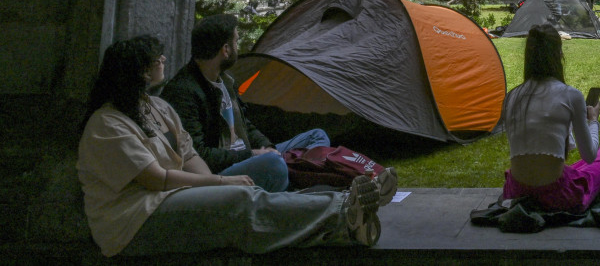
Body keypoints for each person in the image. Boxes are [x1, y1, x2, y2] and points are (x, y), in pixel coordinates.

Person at [77, 36, 396, 257]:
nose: (163, 58)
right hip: (135, 220)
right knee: (241, 199)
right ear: (139, 71)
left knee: (250, 194)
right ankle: (345, 214)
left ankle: (348, 204)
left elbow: (189, 155)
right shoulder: (108, 124)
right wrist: (220, 181)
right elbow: (155, 179)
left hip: (172, 196)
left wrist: (214, 185)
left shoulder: (157, 107)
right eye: (155, 57)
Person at [162, 14, 330, 192]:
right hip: (223, 172)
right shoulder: (184, 92)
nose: (238, 47)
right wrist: (253, 155)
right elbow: (200, 154)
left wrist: (269, 147)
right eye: (236, 42)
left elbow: (245, 125)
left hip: (250, 154)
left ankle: (288, 172)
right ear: (225, 50)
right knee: (273, 164)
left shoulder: (225, 81)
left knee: (317, 136)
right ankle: (288, 176)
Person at [502, 25, 600, 212]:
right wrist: (593, 120)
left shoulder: (512, 96)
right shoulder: (570, 95)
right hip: (557, 195)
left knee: (571, 168)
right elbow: (589, 156)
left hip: (516, 190)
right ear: (558, 54)